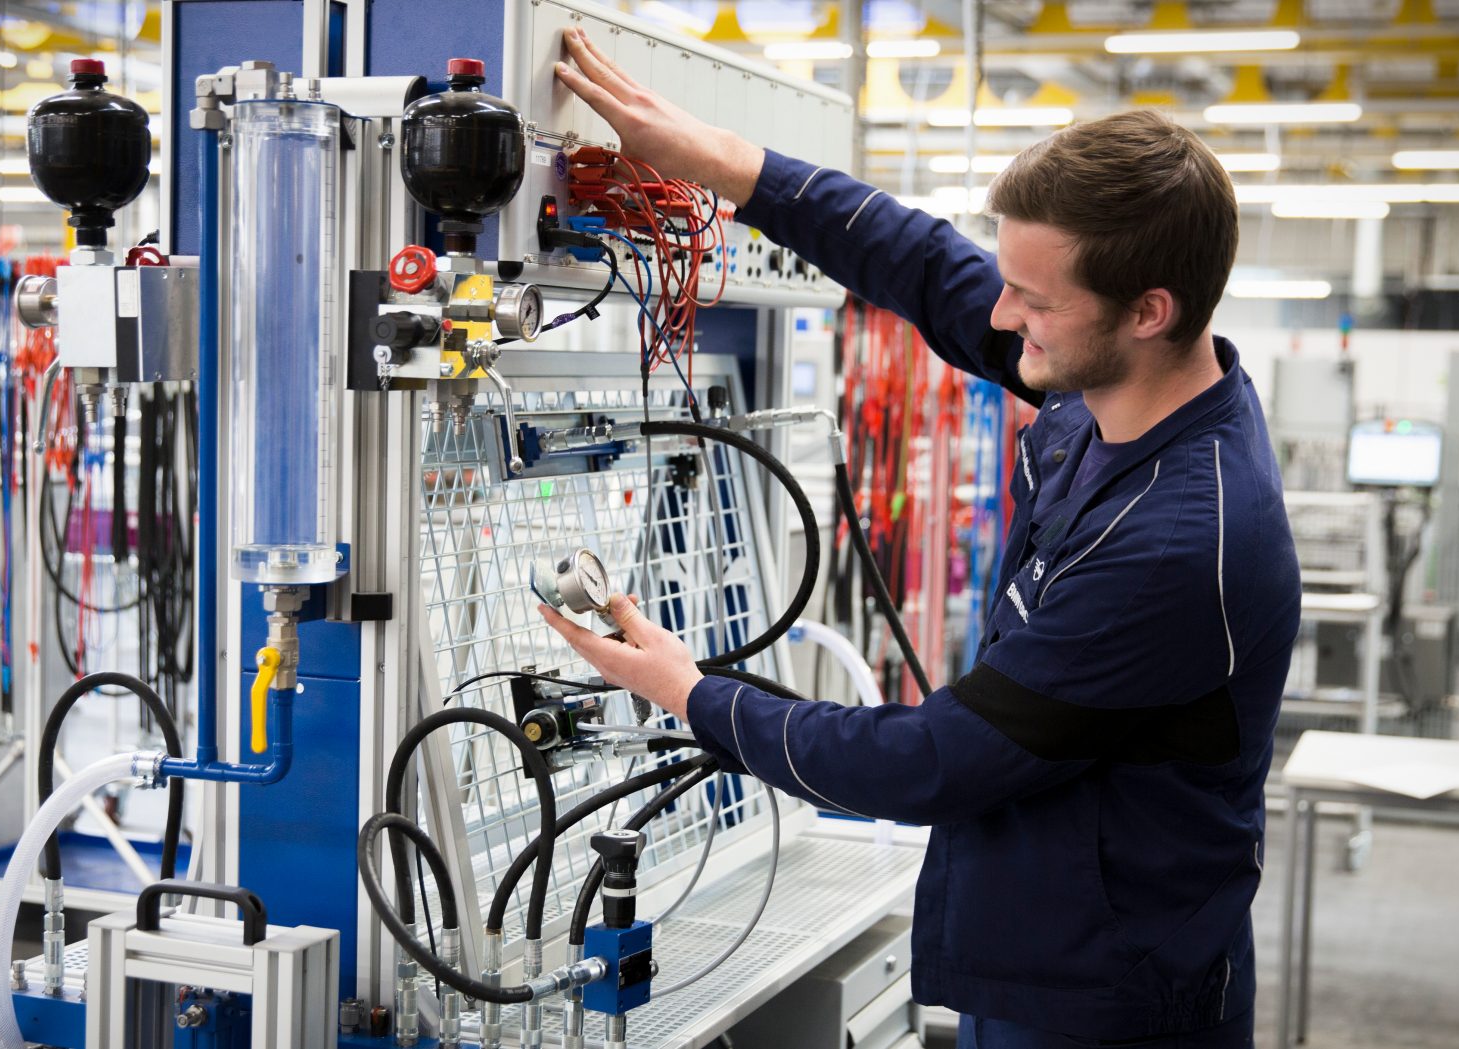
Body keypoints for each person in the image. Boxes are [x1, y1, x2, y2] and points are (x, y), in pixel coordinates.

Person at [538, 30, 1301, 1049]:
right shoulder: (1112, 386)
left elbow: (933, 760)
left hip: (1110, 997)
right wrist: (728, 167)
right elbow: (933, 270)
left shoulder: (1178, 543)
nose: (1001, 313)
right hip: (1041, 941)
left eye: (1034, 299)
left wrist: (691, 691)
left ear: (1149, 310)